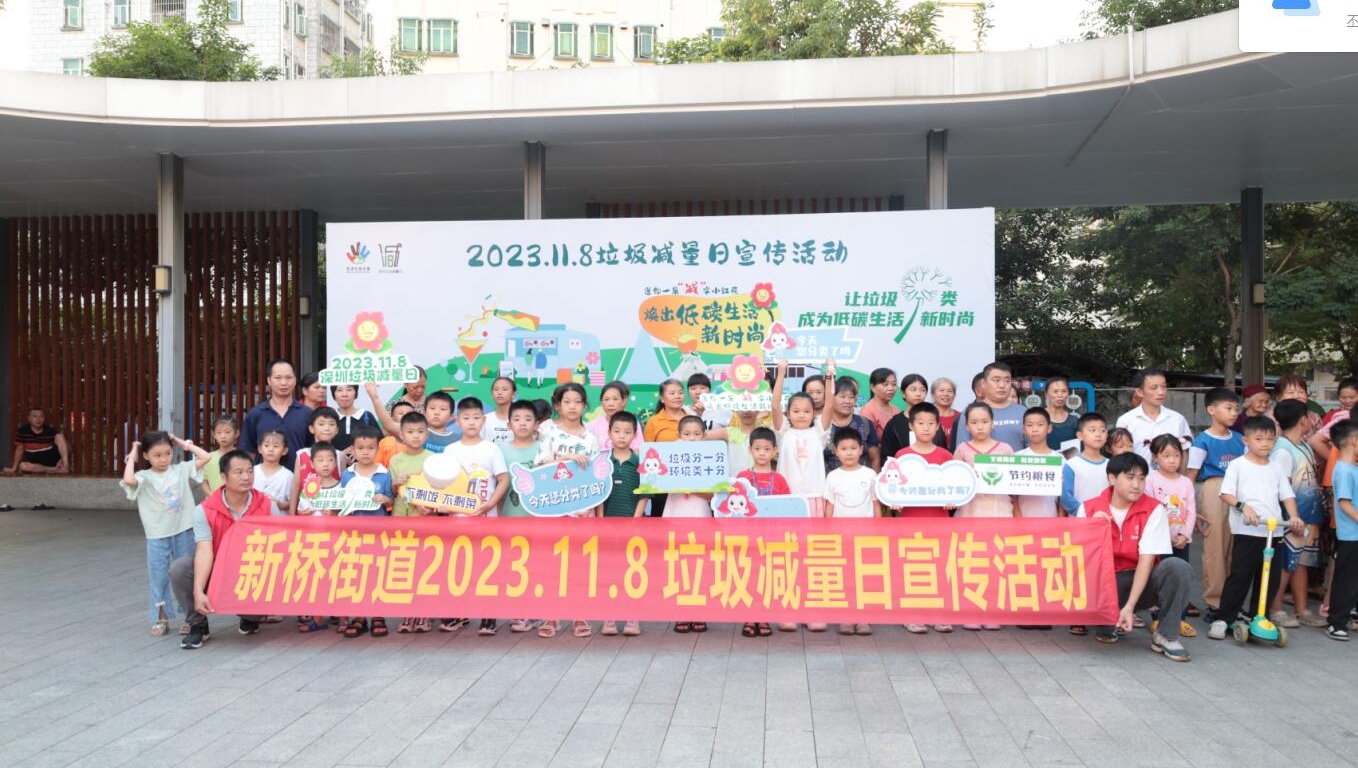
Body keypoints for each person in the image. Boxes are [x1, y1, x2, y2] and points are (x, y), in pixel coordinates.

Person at [1077, 453, 1193, 662]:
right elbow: (1079, 559)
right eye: (1130, 477)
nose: (1137, 485)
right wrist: (1091, 528)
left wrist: (1130, 606)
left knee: (1177, 567)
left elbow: (1146, 559)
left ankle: (1166, 635)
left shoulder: (1154, 509)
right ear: (1112, 478)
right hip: (1104, 584)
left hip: (1140, 581)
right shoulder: (1088, 509)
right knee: (1105, 624)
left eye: (1141, 478)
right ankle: (1106, 619)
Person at [1208, 416, 1303, 641]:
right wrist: (1244, 507)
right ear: (1246, 440)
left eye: (1269, 439)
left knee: (1270, 578)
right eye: (1258, 439)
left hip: (1273, 531)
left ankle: (1259, 616)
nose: (1264, 443)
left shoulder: (1276, 467)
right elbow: (1226, 494)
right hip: (1248, 530)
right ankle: (1224, 618)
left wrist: (1294, 516)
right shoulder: (1238, 465)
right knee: (1240, 575)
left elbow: (1287, 495)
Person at [170, 450, 274, 649]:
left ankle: (250, 617)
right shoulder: (205, 510)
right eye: (239, 472)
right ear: (224, 477)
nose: (246, 477)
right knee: (180, 568)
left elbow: (278, 549)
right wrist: (198, 591)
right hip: (218, 570)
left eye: (250, 471)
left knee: (256, 611)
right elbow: (204, 551)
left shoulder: (268, 506)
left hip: (251, 573)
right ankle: (198, 625)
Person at [121, 431, 211, 636]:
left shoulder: (180, 470)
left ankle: (191, 617)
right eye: (157, 455)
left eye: (168, 453)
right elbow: (128, 479)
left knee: (187, 575)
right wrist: (133, 453)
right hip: (157, 534)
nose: (163, 459)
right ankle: (160, 618)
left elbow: (206, 456)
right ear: (146, 456)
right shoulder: (144, 477)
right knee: (158, 577)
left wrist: (180, 442)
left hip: (184, 530)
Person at [535, 383, 599, 639]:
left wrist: (594, 511)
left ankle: (579, 614)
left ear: (585, 405)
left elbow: (597, 476)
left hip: (582, 512)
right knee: (552, 564)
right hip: (553, 508)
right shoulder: (549, 432)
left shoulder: (591, 437)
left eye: (577, 401)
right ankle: (551, 615)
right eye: (567, 401)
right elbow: (540, 465)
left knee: (579, 565)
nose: (572, 406)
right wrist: (566, 459)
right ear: (558, 405)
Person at [449, 397, 510, 636]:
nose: (471, 422)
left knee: (487, 566)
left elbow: (503, 479)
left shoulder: (491, 449)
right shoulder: (450, 450)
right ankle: (459, 613)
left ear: (483, 420)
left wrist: (491, 504)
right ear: (457, 421)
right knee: (460, 567)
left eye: (476, 418)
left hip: (487, 518)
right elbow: (444, 483)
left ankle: (488, 616)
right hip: (458, 519)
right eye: (466, 418)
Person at [1267, 399, 1327, 628]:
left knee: (1301, 562)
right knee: (1286, 563)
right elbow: (1280, 488)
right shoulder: (1282, 450)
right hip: (1292, 518)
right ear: (1303, 420)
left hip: (1308, 516)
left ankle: (1302, 609)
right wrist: (1290, 517)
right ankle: (1276, 608)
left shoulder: (1303, 445)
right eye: (1309, 416)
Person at [1187, 387, 1243, 622]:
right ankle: (1215, 602)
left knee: (1235, 549)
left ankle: (1232, 602)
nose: (1234, 413)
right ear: (1211, 410)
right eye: (1228, 408)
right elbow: (1190, 476)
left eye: (1236, 409)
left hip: (1239, 491)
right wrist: (1191, 510)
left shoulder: (1240, 439)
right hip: (1214, 489)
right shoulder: (1202, 441)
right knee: (1215, 549)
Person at [335, 427, 392, 639]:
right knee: (356, 574)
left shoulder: (384, 474)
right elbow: (342, 502)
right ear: (353, 450)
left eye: (370, 448)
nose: (365, 452)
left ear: (377, 449)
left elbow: (391, 500)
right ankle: (359, 616)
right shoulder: (347, 475)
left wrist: (385, 499)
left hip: (377, 533)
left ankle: (378, 616)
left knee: (376, 574)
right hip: (354, 534)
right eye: (360, 448)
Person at [598, 410, 647, 638]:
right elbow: (598, 494)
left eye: (627, 432)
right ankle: (608, 618)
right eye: (617, 431)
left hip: (633, 527)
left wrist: (635, 522)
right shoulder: (602, 462)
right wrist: (600, 521)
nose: (621, 436)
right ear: (609, 433)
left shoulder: (640, 462)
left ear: (634, 435)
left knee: (632, 573)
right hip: (607, 527)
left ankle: (632, 618)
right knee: (609, 573)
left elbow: (645, 494)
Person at [1144, 434, 1197, 638]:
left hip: (1181, 541)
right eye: (1166, 456)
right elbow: (1150, 510)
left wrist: (1185, 534)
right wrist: (1164, 535)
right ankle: (1158, 617)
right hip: (1160, 540)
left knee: (1181, 578)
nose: (1173, 460)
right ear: (1155, 457)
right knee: (1161, 578)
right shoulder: (1150, 480)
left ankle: (1179, 618)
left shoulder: (1186, 482)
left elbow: (1191, 510)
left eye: (1176, 455)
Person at [240, 360, 311, 471]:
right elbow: (248, 451)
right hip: (264, 479)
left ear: (295, 380)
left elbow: (313, 449)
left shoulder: (307, 413)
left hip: (300, 477)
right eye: (278, 378)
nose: (284, 383)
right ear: (269, 380)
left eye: (288, 377)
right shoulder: (256, 414)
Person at [954, 402, 1015, 521]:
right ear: (966, 426)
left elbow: (1014, 481)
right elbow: (956, 480)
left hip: (1000, 510)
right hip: (970, 511)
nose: (980, 427)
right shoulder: (962, 450)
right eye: (974, 422)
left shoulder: (1005, 449)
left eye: (985, 421)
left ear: (992, 423)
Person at [1325, 419, 1358, 640]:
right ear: (1354, 441)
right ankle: (1336, 622)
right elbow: (1344, 504)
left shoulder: (1352, 468)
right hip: (1350, 536)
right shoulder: (1344, 470)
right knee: (1347, 580)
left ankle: (1345, 617)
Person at [1115, 368, 1191, 463]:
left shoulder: (1178, 419)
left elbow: (1184, 451)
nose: (1161, 392)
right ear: (1140, 392)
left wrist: (1182, 473)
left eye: (1164, 386)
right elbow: (1120, 455)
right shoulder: (1125, 421)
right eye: (1154, 388)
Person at [953, 362, 1026, 450]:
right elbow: (962, 450)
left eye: (1007, 381)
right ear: (984, 383)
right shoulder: (971, 412)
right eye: (996, 380)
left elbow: (1033, 450)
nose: (1002, 385)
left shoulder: (1023, 412)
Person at [642, 379, 687, 518]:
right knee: (660, 518)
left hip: (687, 479)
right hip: (662, 481)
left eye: (680, 392)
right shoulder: (654, 421)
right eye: (672, 393)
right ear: (662, 398)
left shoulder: (691, 418)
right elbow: (647, 453)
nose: (677, 396)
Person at [287, 407, 343, 518]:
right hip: (306, 515)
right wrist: (292, 515)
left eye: (331, 424)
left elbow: (343, 487)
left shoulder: (339, 455)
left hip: (331, 519)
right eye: (321, 424)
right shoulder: (302, 454)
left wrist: (336, 511)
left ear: (337, 430)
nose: (327, 428)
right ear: (312, 428)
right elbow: (296, 486)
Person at [1013, 407, 1061, 518]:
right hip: (1023, 518)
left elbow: (1062, 497)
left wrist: (1060, 519)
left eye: (1040, 425)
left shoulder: (1059, 459)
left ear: (1049, 428)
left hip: (1051, 518)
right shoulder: (1017, 458)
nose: (1035, 429)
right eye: (1030, 425)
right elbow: (1012, 495)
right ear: (1024, 429)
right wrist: (1017, 515)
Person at [823, 378, 879, 471]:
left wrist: (876, 478)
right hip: (831, 478)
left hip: (863, 478)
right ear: (832, 398)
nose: (847, 401)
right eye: (842, 397)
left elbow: (875, 458)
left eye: (851, 397)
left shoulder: (865, 423)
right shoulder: (822, 425)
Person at [1059, 413, 1110, 517]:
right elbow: (1066, 498)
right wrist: (1087, 512)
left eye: (1102, 430)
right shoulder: (1072, 465)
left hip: (1105, 520)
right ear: (1080, 435)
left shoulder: (1111, 465)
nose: (1098, 434)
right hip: (1080, 522)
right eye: (1092, 430)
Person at [498, 401, 540, 521]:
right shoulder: (500, 451)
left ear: (536, 425)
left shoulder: (545, 449)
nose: (522, 423)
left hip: (539, 519)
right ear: (509, 425)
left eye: (528, 419)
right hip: (508, 517)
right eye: (516, 419)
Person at [389, 411, 432, 520]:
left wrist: (431, 507)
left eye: (420, 431)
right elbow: (393, 493)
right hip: (400, 514)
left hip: (425, 516)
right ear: (401, 435)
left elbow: (438, 490)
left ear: (427, 434)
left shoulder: (433, 459)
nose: (416, 436)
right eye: (410, 432)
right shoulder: (395, 460)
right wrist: (395, 483)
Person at [4, 407, 69, 475]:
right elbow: (19, 449)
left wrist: (61, 459)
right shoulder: (22, 431)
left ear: (44, 419)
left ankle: (65, 467)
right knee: (23, 466)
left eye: (41, 416)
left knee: (60, 436)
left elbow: (66, 446)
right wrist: (14, 468)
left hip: (51, 460)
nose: (38, 419)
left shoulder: (51, 431)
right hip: (35, 463)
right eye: (35, 416)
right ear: (29, 418)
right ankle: (53, 469)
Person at [589, 381, 643, 452]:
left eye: (615, 399)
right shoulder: (594, 425)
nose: (610, 404)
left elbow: (638, 450)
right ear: (601, 403)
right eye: (606, 399)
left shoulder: (633, 423)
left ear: (624, 401)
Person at [1270, 374, 1323, 443]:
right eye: (1291, 392)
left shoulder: (1314, 418)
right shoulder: (1270, 418)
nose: (1297, 396)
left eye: (1301, 392)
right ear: (1278, 398)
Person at [330, 384, 380, 458]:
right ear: (333, 395)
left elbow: (379, 443)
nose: (344, 394)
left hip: (364, 463)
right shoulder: (330, 418)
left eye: (349, 390)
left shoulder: (366, 416)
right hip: (334, 464)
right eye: (339, 390)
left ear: (356, 394)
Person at [251, 430, 292, 515]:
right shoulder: (252, 471)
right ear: (260, 449)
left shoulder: (288, 476)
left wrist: (281, 505)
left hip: (278, 521)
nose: (270, 449)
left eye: (276, 446)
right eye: (266, 445)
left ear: (284, 451)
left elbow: (294, 501)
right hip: (254, 519)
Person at [295, 443, 341, 517]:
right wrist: (302, 512)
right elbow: (301, 511)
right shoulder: (308, 488)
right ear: (312, 464)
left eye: (330, 460)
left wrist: (335, 513)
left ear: (335, 462)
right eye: (320, 460)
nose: (325, 464)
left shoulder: (342, 487)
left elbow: (346, 513)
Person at [200, 416, 239, 495]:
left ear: (236, 433)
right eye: (219, 432)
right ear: (214, 434)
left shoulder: (242, 457)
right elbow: (204, 481)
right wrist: (212, 496)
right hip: (213, 499)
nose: (223, 436)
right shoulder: (208, 458)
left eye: (227, 432)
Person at [859, 367, 900, 439]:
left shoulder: (896, 409)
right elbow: (867, 442)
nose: (891, 388)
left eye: (894, 384)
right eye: (885, 384)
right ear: (872, 387)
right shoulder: (867, 412)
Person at [376, 401, 416, 470]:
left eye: (409, 413)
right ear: (392, 419)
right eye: (401, 413)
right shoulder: (385, 442)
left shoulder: (421, 438)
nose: (405, 416)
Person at [1044, 376, 1079, 451]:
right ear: (1046, 394)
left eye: (1064, 391)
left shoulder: (1074, 421)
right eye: (1055, 391)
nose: (1060, 395)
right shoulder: (1037, 418)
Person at [481, 376, 517, 445]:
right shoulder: (485, 420)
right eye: (496, 389)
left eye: (504, 389)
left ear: (513, 394)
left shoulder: (520, 420)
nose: (499, 392)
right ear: (492, 394)